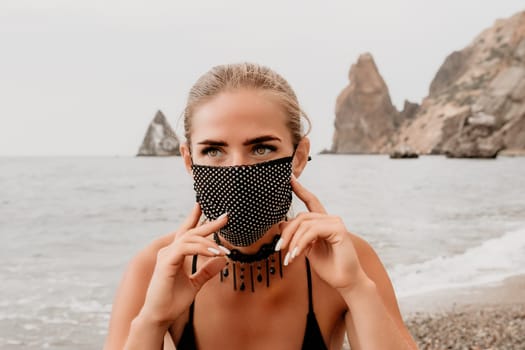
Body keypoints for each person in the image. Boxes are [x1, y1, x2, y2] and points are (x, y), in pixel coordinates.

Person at [104, 63, 418, 350]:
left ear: (298, 156)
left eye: (262, 148)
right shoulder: (155, 268)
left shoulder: (346, 258)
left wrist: (356, 289)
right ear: (189, 160)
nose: (238, 169)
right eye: (214, 151)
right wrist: (152, 320)